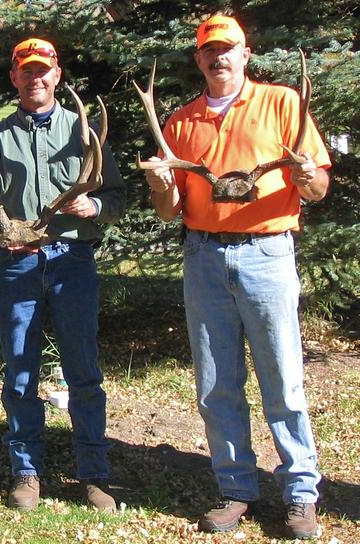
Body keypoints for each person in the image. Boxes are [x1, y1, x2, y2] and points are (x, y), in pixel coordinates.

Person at [141, 15, 329, 540]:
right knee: (217, 383)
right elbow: (167, 209)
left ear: (246, 53)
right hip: (203, 257)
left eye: (228, 48)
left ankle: (300, 494)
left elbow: (314, 189)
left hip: (267, 254)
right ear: (199, 60)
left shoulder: (283, 103)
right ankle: (236, 488)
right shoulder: (181, 122)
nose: (219, 57)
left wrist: (309, 176)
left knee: (283, 378)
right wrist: (160, 183)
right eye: (209, 51)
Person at [0, 38, 126, 512]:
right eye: (26, 71)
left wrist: (92, 205)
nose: (35, 78)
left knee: (84, 373)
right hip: (16, 263)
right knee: (19, 374)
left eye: (43, 71)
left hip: (71, 262)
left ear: (56, 75)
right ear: (15, 77)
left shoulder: (84, 133)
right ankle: (26, 473)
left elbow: (115, 199)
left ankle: (94, 475)